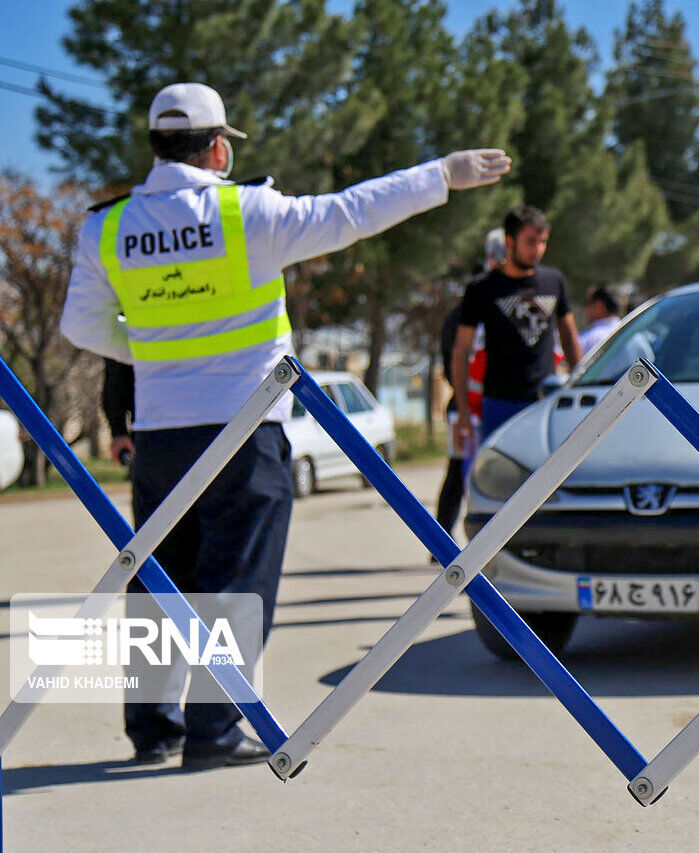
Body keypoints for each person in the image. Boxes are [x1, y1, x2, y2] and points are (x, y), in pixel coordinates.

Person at [60, 82, 510, 770]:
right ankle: (212, 731)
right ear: (217, 147)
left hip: (159, 431)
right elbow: (352, 211)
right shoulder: (249, 214)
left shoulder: (108, 227)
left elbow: (80, 326)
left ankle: (152, 725)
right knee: (236, 576)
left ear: (156, 147)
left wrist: (157, 347)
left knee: (158, 575)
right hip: (244, 427)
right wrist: (439, 176)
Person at [451, 205, 582, 449]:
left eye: (543, 241)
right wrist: (463, 412)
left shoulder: (554, 281)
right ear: (510, 241)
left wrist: (580, 386)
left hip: (547, 400)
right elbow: (461, 350)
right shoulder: (482, 288)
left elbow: (569, 335)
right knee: (500, 483)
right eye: (531, 241)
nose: (538, 249)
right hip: (499, 404)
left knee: (551, 481)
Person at [435, 229, 503, 536]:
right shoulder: (469, 316)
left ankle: (439, 539)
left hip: (463, 403)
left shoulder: (455, 316)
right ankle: (444, 537)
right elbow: (455, 361)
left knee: (456, 476)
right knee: (464, 475)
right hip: (471, 405)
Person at [101, 357, 135, 466]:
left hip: (151, 425)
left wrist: (118, 431)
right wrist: (118, 431)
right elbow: (115, 375)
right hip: (150, 426)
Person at [576, 286, 622, 355]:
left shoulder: (588, 339)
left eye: (586, 302)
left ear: (599, 306)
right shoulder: (632, 335)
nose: (584, 308)